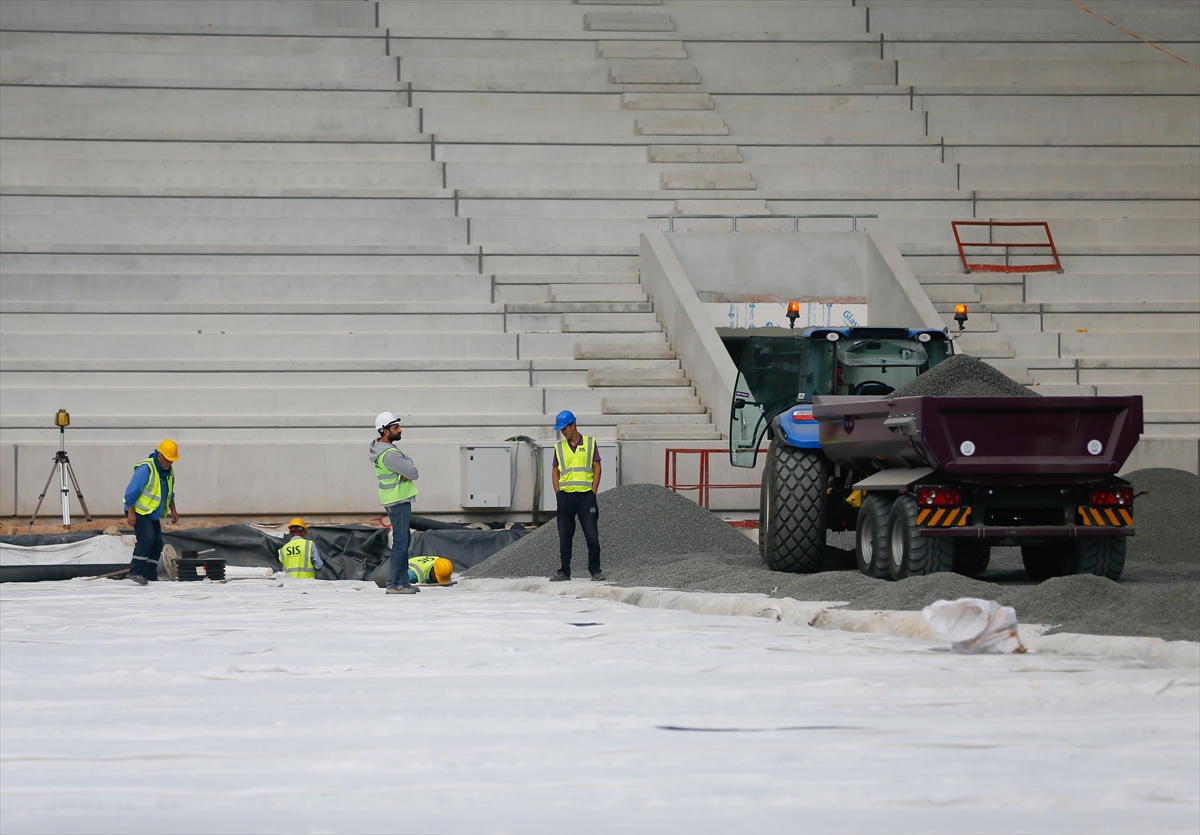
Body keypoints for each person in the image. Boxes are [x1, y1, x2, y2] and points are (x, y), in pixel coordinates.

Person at [549, 410, 604, 582]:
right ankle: (564, 572)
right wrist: (558, 492)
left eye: (565, 428)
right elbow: (555, 471)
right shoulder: (559, 447)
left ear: (574, 425)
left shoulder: (589, 443)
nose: (563, 432)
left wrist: (593, 490)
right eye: (561, 430)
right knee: (565, 537)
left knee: (592, 536)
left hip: (585, 497)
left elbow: (597, 467)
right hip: (565, 497)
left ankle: (595, 570)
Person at [370, 411, 420, 595]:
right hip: (397, 499)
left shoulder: (382, 449)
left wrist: (406, 463)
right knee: (401, 542)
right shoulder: (390, 454)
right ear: (384, 431)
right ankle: (394, 584)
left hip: (393, 497)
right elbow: (413, 472)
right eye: (395, 427)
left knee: (403, 540)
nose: (399, 430)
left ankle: (403, 582)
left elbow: (409, 467)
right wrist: (407, 464)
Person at [123, 439, 179, 585]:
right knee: (147, 538)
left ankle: (149, 573)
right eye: (167, 459)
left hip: (151, 512)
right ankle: (135, 572)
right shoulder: (146, 469)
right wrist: (131, 512)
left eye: (172, 460)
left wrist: (173, 510)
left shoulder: (168, 471)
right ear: (159, 455)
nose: (170, 463)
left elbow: (169, 493)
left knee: (156, 542)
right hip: (138, 511)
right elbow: (131, 492)